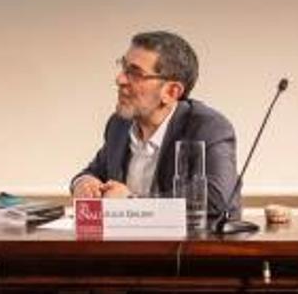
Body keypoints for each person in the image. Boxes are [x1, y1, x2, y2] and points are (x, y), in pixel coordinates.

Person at [71, 31, 241, 219]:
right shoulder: (119, 125)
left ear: (171, 91)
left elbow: (215, 199)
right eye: (123, 67)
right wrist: (83, 183)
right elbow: (94, 172)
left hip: (191, 247)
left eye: (135, 73)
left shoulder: (209, 128)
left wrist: (132, 203)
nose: (119, 80)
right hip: (126, 246)